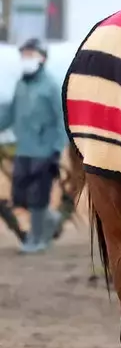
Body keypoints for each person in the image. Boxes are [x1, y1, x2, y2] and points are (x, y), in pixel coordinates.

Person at [0, 38, 66, 253]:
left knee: (38, 197)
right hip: (24, 150)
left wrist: (56, 150)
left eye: (30, 54)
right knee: (20, 197)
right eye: (24, 54)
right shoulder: (20, 84)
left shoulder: (51, 85)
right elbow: (9, 115)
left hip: (45, 151)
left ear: (42, 57)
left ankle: (36, 240)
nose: (25, 59)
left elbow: (60, 119)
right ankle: (52, 220)